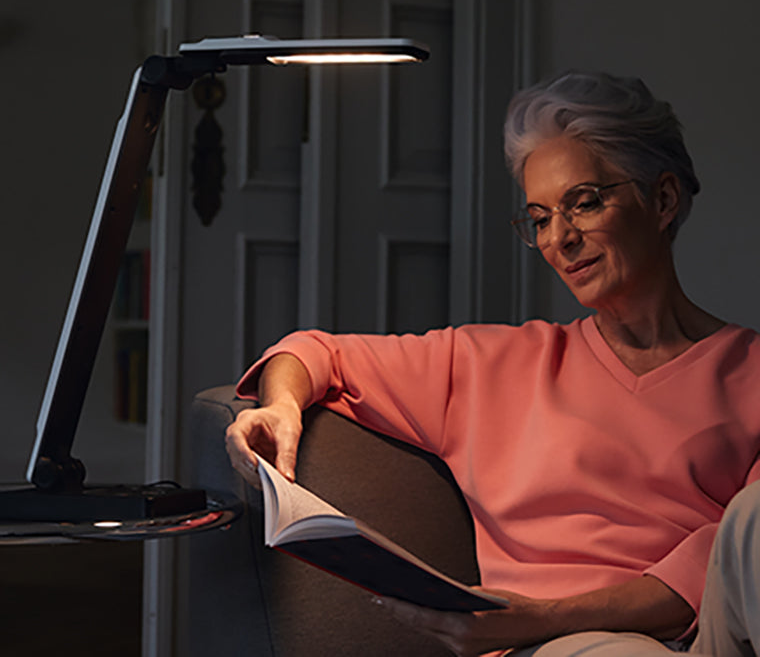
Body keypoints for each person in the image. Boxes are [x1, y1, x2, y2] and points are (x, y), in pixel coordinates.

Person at [225, 71, 760, 657]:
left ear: (661, 199)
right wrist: (280, 405)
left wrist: (538, 615)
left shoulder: (749, 372)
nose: (560, 239)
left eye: (583, 203)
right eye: (540, 218)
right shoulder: (489, 364)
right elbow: (316, 351)